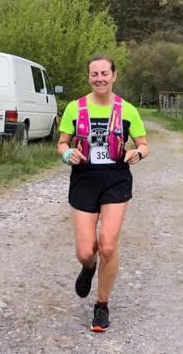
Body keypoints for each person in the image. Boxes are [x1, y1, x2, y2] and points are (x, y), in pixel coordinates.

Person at [56, 55, 149, 333]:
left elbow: (144, 144)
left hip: (115, 178)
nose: (100, 78)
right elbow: (62, 143)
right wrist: (67, 154)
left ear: (114, 76)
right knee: (86, 251)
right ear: (88, 77)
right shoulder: (75, 108)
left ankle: (102, 305)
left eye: (104, 73)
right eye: (94, 74)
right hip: (84, 178)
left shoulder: (127, 110)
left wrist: (137, 153)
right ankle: (88, 267)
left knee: (107, 245)